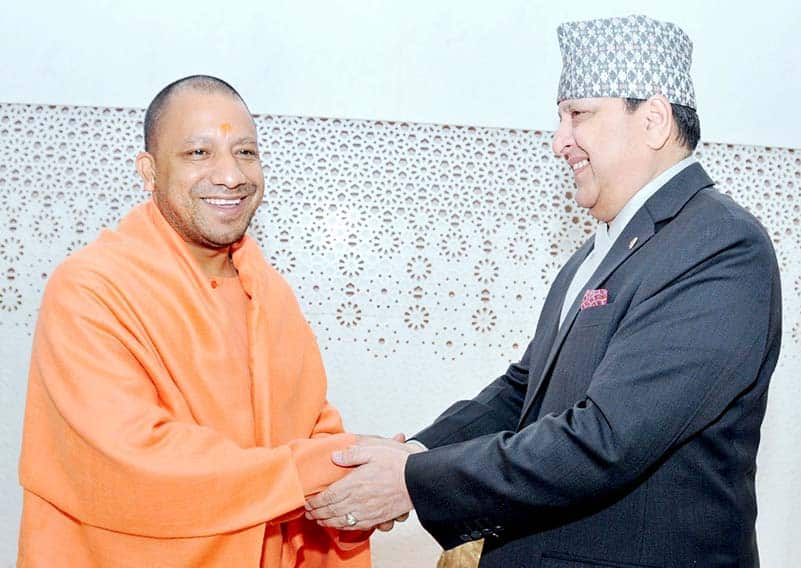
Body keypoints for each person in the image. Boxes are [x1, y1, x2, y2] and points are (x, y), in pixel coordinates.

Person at [305, 15, 782, 567]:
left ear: (652, 120)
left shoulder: (719, 243)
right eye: (560, 119)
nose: (560, 143)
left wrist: (413, 481)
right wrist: (416, 452)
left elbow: (607, 439)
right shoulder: (597, 251)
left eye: (578, 115)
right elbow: (523, 391)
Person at [18, 75, 371, 567]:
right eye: (199, 153)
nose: (231, 175)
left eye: (245, 152)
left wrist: (357, 485)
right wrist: (315, 470)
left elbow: (314, 426)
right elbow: (134, 464)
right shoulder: (91, 288)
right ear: (149, 170)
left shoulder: (269, 293)